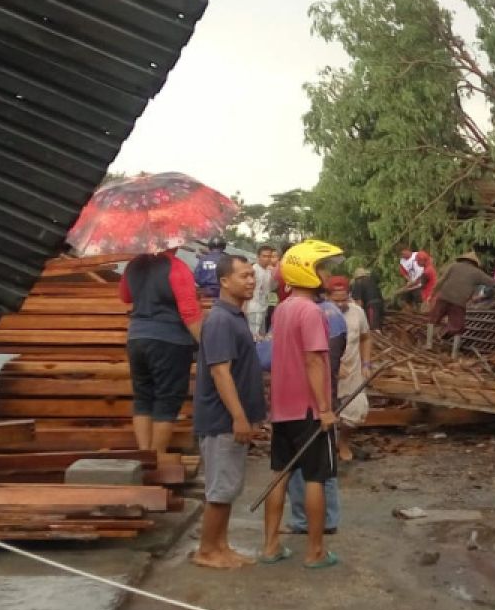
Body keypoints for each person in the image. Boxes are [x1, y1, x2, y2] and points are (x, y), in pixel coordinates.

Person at [262, 239, 344, 569]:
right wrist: (324, 408)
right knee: (315, 478)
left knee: (279, 474)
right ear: (307, 271)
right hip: (308, 409)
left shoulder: (282, 309)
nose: (326, 274)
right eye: (322, 268)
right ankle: (315, 551)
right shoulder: (311, 312)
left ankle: (270, 546)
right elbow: (313, 362)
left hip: (282, 407)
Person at [191, 255, 263, 570]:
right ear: (224, 281)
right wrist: (238, 416)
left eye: (252, 275)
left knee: (228, 485)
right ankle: (207, 550)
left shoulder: (235, 317)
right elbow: (221, 373)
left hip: (230, 417)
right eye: (244, 276)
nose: (251, 280)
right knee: (220, 488)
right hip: (221, 418)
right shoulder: (220, 320)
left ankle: (221, 545)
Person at [119, 248, 201, 461]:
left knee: (143, 397)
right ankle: (157, 458)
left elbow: (125, 296)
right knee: (167, 399)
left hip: (136, 337)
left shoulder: (133, 264)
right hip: (169, 339)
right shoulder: (177, 267)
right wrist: (207, 343)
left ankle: (145, 456)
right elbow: (189, 311)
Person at [285, 289, 347, 536]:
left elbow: (319, 362)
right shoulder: (329, 314)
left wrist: (323, 407)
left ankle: (315, 520)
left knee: (308, 465)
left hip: (308, 399)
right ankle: (320, 519)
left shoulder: (300, 311)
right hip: (316, 397)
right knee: (318, 463)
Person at [426, 252, 495, 358]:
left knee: (433, 319)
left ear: (463, 259)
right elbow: (492, 282)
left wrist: (432, 294)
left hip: (444, 297)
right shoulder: (477, 273)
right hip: (459, 302)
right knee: (458, 328)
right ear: (474, 263)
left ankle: (429, 344)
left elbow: (441, 281)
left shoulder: (453, 266)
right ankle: (454, 354)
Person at [328, 276, 371, 461]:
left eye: (343, 299)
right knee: (326, 414)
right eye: (335, 300)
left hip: (352, 373)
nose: (339, 304)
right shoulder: (319, 313)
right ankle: (326, 448)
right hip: (326, 375)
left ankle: (343, 442)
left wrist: (366, 363)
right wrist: (335, 365)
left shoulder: (357, 312)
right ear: (326, 296)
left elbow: (366, 337)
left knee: (357, 411)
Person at [245, 245, 276, 339]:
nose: (267, 259)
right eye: (264, 256)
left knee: (261, 335)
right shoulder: (253, 270)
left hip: (263, 307)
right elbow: (246, 288)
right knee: (253, 336)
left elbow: (271, 288)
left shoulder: (268, 271)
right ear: (258, 257)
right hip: (253, 307)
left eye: (269, 256)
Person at [264, 248, 281, 334]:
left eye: (274, 256)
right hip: (266, 298)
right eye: (270, 256)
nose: (272, 259)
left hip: (275, 298)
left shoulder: (279, 269)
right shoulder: (266, 269)